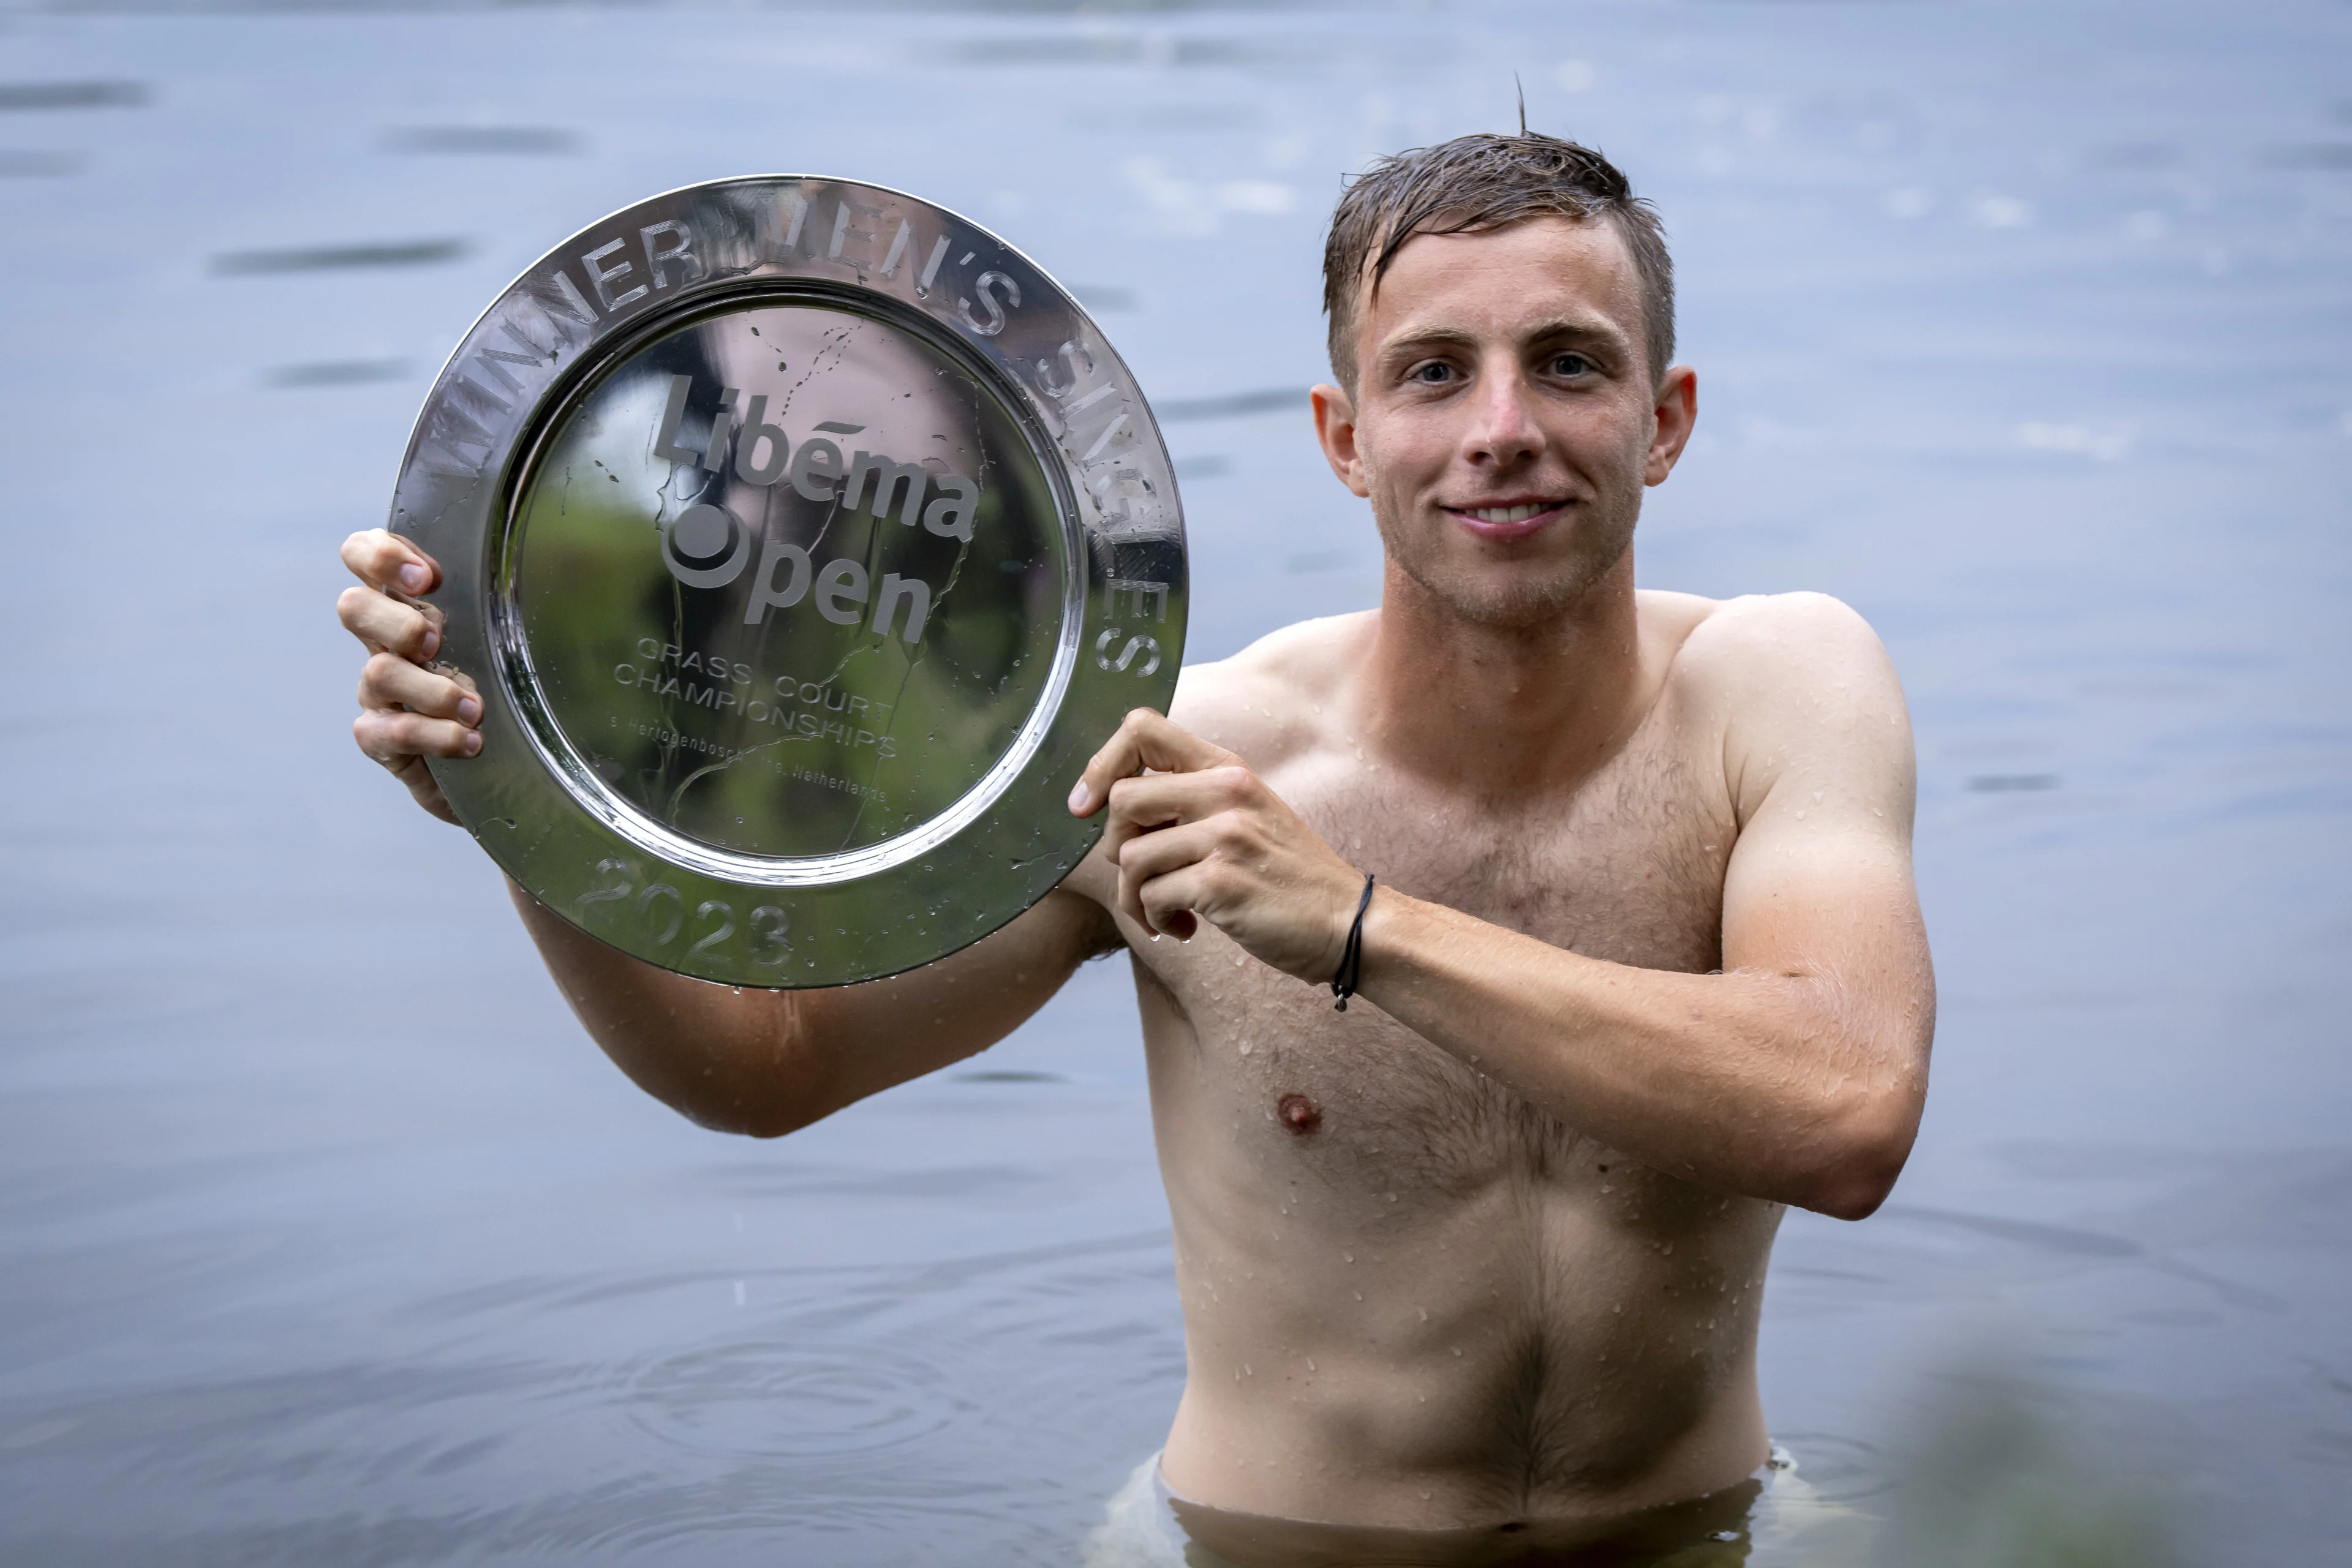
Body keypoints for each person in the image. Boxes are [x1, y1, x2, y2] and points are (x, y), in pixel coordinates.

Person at [338, 133, 1932, 1559]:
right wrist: (520, 807)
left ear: (1666, 421)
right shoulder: (1177, 764)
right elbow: (768, 1071)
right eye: (1433, 372)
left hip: (1702, 1537)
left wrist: (1357, 923)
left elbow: (1847, 1110)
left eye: (1571, 366)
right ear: (1342, 435)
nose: (1502, 427)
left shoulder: (1778, 690)